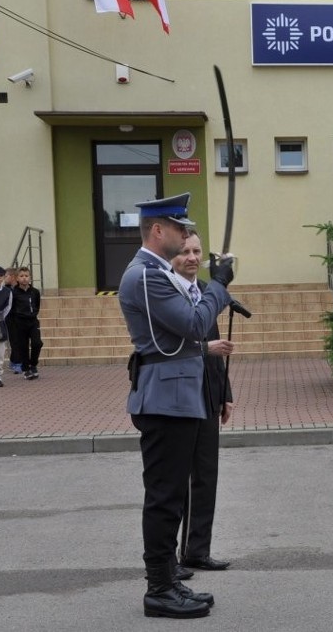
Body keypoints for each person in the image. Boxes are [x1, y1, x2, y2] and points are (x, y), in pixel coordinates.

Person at [118, 192, 235, 619]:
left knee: (171, 496)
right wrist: (218, 286)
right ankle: (160, 589)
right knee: (165, 497)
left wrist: (211, 289)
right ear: (157, 231)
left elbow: (190, 330)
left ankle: (169, 579)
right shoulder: (145, 276)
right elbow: (192, 324)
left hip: (177, 395)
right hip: (165, 397)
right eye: (180, 229)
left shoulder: (159, 273)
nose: (186, 236)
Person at [170, 232, 234, 577]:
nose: (192, 258)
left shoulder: (201, 292)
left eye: (197, 251)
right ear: (171, 256)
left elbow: (215, 347)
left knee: (206, 475)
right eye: (184, 252)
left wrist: (225, 392)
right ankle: (169, 556)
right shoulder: (170, 291)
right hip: (180, 396)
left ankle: (197, 550)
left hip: (208, 392)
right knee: (178, 480)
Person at [10, 266, 43, 380]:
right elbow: (12, 308)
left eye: (26, 276)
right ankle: (26, 369)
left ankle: (33, 365)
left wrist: (32, 314)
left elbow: (37, 305)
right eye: (21, 276)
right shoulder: (14, 293)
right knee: (23, 347)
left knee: (37, 343)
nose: (24, 278)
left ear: (30, 278)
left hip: (33, 322)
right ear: (17, 278)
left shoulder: (35, 292)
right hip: (20, 323)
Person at [4, 267, 22, 374]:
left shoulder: (17, 290)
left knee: (19, 340)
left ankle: (13, 360)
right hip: (9, 318)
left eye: (6, 276)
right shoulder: (6, 290)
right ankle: (16, 362)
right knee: (14, 341)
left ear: (12, 277)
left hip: (19, 318)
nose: (4, 278)